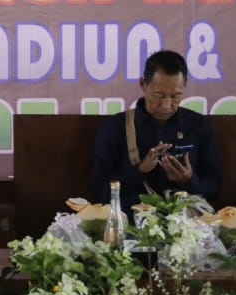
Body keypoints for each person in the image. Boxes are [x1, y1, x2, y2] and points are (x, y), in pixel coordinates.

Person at [91, 49, 222, 210]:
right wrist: (139, 171)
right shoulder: (115, 127)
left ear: (185, 85)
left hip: (186, 220)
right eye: (158, 95)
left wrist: (188, 180)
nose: (166, 106)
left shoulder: (198, 125)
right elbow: (100, 192)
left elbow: (214, 188)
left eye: (175, 96)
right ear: (143, 84)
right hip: (132, 219)